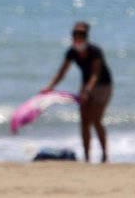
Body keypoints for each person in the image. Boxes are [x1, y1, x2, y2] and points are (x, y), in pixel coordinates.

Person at [42, 21, 113, 163]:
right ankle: (87, 156)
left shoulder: (95, 51)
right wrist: (49, 87)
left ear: (86, 36)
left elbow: (95, 75)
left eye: (81, 34)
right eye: (75, 34)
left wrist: (87, 89)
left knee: (96, 119)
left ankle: (104, 155)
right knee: (84, 121)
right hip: (85, 86)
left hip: (103, 86)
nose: (78, 37)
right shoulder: (72, 52)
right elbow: (62, 72)